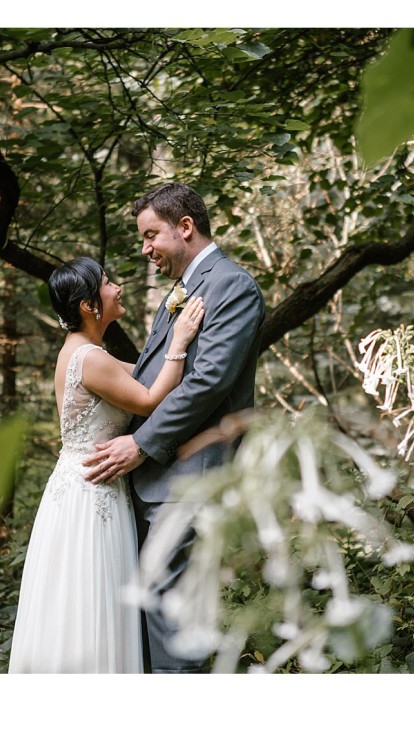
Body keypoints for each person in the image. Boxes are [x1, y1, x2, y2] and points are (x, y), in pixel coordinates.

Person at [83, 183, 265, 673]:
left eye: (150, 235)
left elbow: (207, 382)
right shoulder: (182, 291)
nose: (144, 250)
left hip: (188, 476)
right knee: (155, 614)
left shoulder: (230, 285)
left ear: (185, 227)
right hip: (159, 481)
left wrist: (140, 444)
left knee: (173, 620)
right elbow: (155, 376)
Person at [8, 256, 205, 673]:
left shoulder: (85, 353)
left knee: (84, 602)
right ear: (87, 304)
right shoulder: (91, 359)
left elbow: (146, 380)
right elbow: (151, 399)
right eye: (108, 283)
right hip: (91, 495)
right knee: (91, 598)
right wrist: (180, 342)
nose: (117, 288)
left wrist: (173, 343)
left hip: (87, 486)